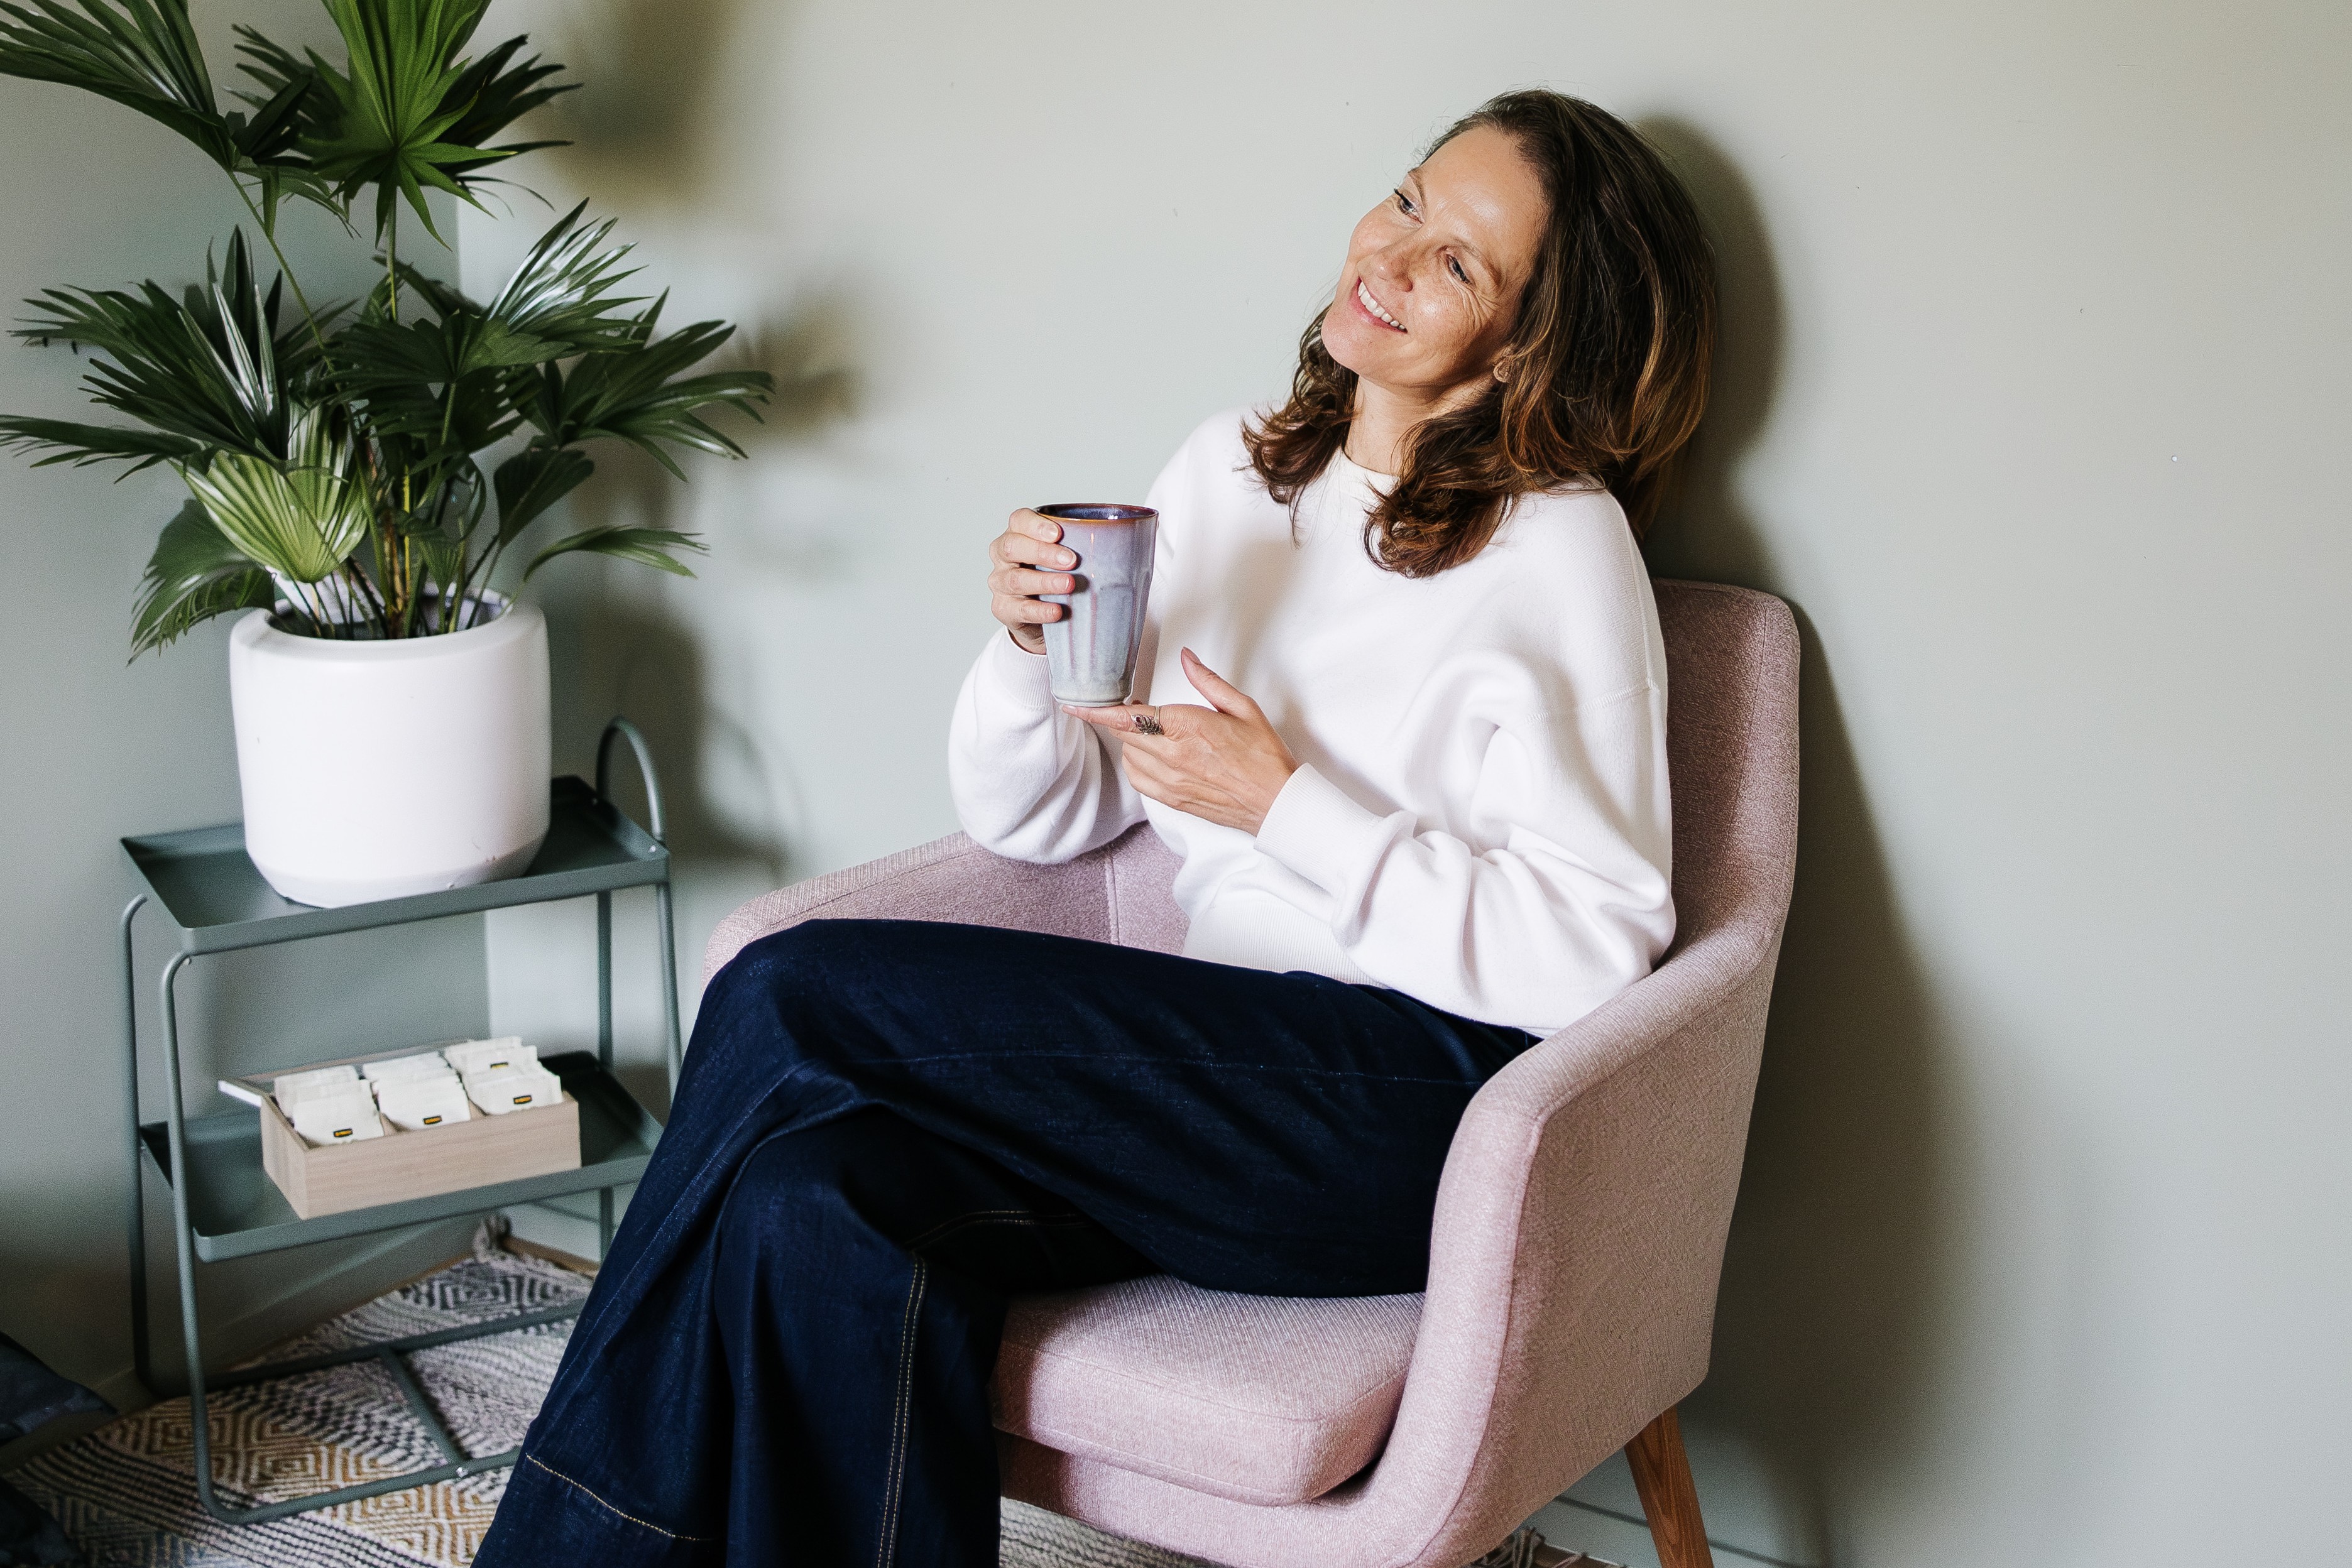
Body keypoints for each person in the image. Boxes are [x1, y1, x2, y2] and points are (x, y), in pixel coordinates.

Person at [474, 88, 1716, 1568]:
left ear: (1525, 344)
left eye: (1457, 261)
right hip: (1205, 1074)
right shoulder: (1234, 474)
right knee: (818, 1201)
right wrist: (1028, 647)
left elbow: (1595, 950)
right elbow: (1039, 819)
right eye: (1405, 201)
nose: (1389, 257)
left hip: (1414, 1113)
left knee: (786, 986)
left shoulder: (1559, 544)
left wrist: (1287, 807)